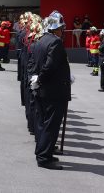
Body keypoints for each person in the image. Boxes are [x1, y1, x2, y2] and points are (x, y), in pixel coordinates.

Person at [28, 10, 71, 170]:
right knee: (51, 125)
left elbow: (37, 63)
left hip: (43, 89)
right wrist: (40, 79)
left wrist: (36, 79)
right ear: (56, 29)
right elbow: (50, 66)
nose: (62, 31)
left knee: (42, 123)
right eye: (61, 28)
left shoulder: (41, 40)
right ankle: (44, 158)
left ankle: (43, 152)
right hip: (53, 90)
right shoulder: (55, 42)